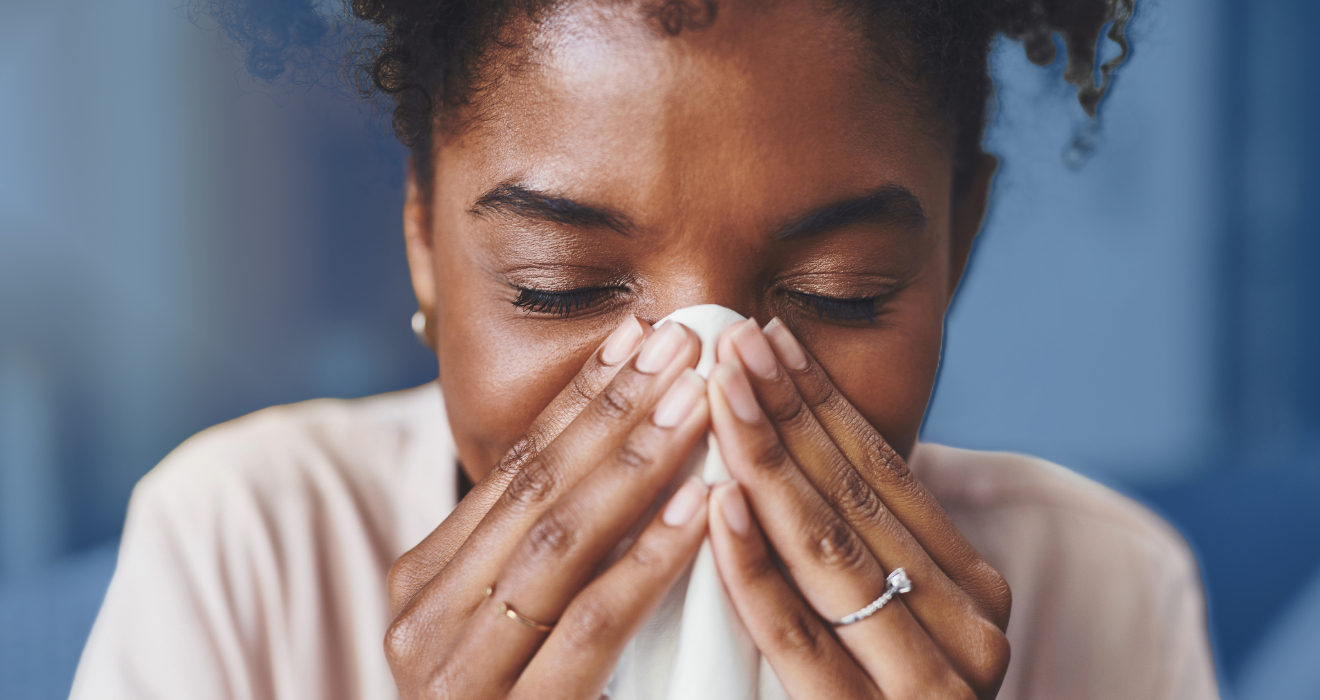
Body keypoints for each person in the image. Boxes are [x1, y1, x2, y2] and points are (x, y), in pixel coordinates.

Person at [71, 0, 1219, 698]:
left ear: (955, 249)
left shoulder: (1103, 586)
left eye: (841, 293)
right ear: (423, 229)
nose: (710, 395)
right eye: (557, 288)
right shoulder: (247, 544)